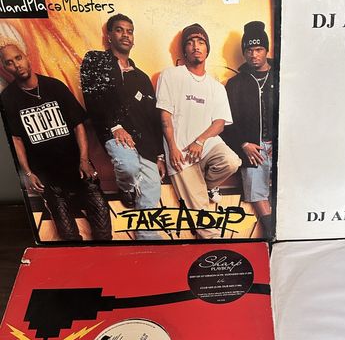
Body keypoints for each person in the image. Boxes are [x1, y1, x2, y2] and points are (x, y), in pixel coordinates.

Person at [0, 38, 112, 241]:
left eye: (18, 58)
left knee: (104, 234)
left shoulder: (54, 86)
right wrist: (28, 173)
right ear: (4, 67)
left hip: (79, 169)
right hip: (48, 179)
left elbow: (78, 125)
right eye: (9, 62)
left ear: (27, 57)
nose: (16, 65)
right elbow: (16, 139)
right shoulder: (7, 99)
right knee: (68, 237)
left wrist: (84, 160)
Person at [80, 14, 165, 240]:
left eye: (129, 31)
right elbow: (92, 98)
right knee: (128, 167)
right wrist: (115, 126)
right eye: (119, 30)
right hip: (113, 132)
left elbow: (152, 118)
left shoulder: (141, 77)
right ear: (109, 36)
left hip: (144, 142)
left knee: (152, 190)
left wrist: (159, 155)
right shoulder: (95, 60)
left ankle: (148, 240)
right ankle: (126, 189)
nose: (125, 35)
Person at [156, 23, 241, 239]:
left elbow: (219, 123)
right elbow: (165, 116)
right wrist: (172, 149)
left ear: (207, 48)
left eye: (201, 42)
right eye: (190, 42)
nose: (196, 46)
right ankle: (214, 246)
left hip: (206, 146)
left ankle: (201, 188)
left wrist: (200, 141)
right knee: (203, 216)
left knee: (232, 161)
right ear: (184, 50)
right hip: (180, 154)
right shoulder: (170, 75)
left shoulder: (216, 87)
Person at [224, 21, 274, 238]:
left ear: (266, 50)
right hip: (251, 148)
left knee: (288, 189)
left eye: (259, 49)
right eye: (249, 50)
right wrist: (243, 144)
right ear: (244, 52)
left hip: (281, 146)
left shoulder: (281, 77)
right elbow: (226, 122)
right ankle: (271, 232)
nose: (254, 55)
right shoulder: (235, 84)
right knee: (255, 191)